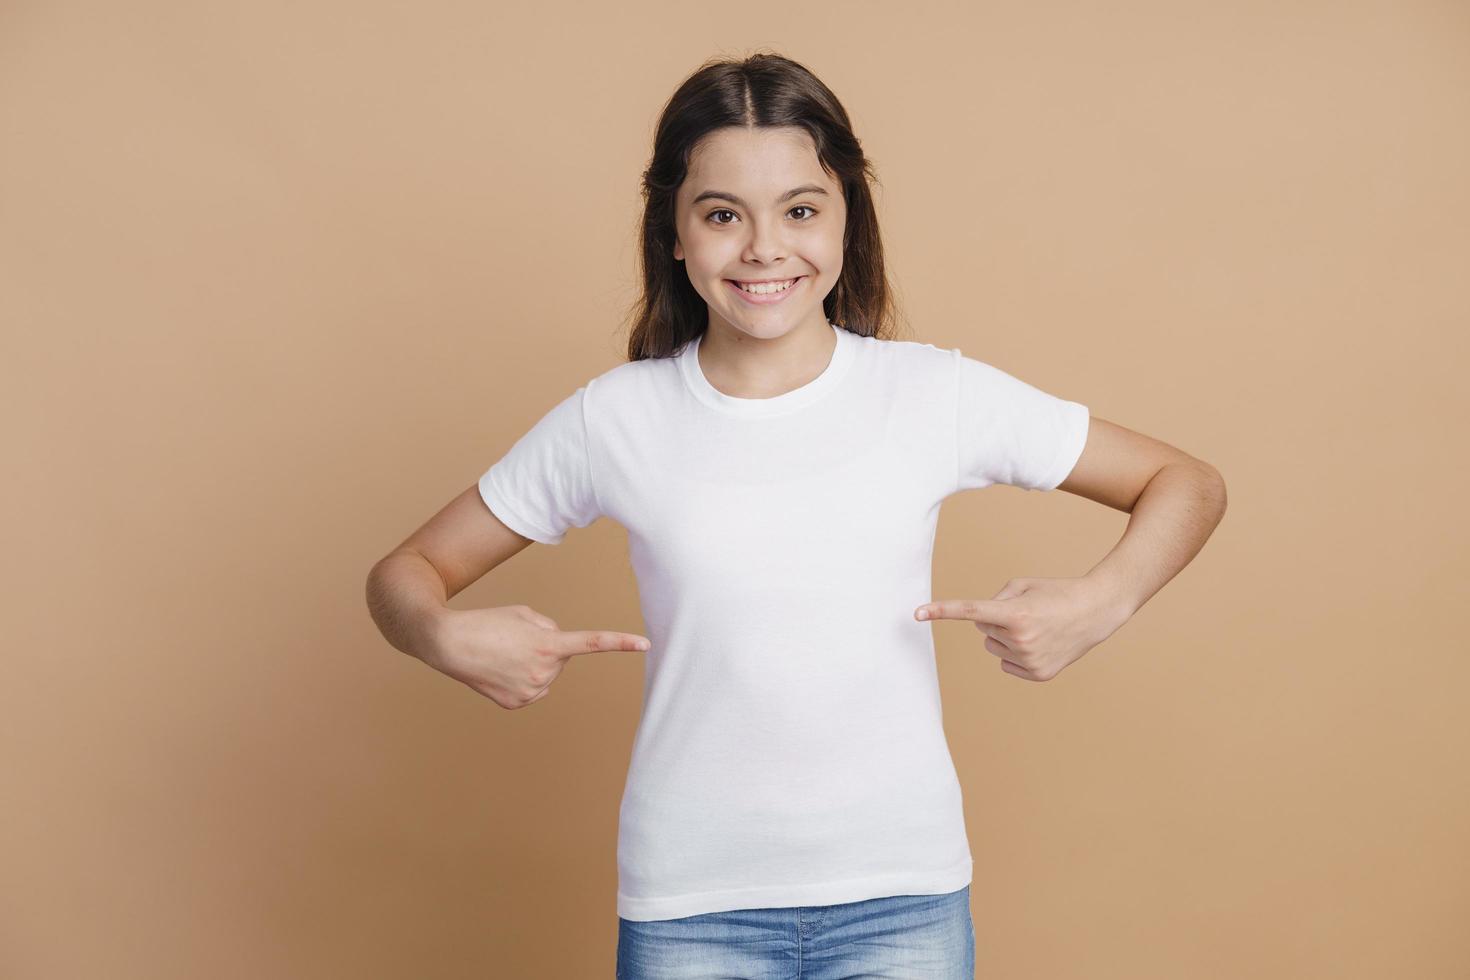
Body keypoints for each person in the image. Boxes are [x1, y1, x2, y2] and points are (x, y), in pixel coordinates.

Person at [365, 51, 1227, 980]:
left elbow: (1186, 482)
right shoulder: (615, 419)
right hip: (690, 910)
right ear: (675, 233)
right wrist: (440, 636)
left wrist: (1099, 604)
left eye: (801, 210)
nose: (765, 248)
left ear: (848, 219)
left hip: (904, 899)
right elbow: (404, 575)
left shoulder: (931, 393)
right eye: (724, 214)